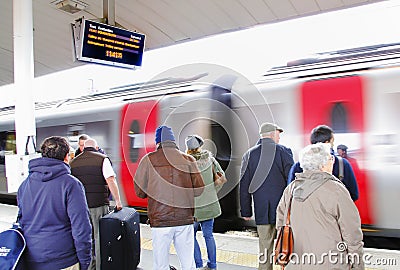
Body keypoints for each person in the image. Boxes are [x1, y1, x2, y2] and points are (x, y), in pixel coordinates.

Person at [276, 143, 364, 269]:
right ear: (323, 165)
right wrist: (358, 266)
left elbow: (281, 225)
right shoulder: (336, 190)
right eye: (330, 158)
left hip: (296, 265)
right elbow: (352, 235)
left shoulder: (290, 189)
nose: (332, 161)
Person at [134, 125, 205, 270]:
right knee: (188, 263)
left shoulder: (148, 160)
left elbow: (140, 193)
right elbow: (199, 190)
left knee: (160, 264)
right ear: (173, 141)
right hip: (184, 219)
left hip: (160, 221)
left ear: (158, 142)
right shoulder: (188, 159)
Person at [17, 136, 92, 270]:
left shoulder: (25, 185)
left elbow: (21, 221)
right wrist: (85, 261)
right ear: (66, 157)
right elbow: (81, 228)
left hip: (32, 258)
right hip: (63, 260)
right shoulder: (71, 184)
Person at [239, 122, 294, 270]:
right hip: (283, 211)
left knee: (265, 248)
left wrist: (246, 211)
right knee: (286, 245)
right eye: (278, 133)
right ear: (271, 134)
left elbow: (244, 185)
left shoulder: (249, 155)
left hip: (262, 209)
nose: (279, 137)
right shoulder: (284, 152)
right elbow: (292, 182)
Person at [70, 138, 123, 270]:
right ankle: (99, 266)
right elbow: (110, 180)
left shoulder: (73, 162)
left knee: (84, 239)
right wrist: (118, 201)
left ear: (83, 148)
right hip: (98, 205)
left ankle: (88, 267)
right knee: (99, 239)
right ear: (96, 147)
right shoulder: (102, 159)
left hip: (80, 208)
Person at [287, 125, 359, 201]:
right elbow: (354, 194)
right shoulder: (342, 164)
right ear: (327, 143)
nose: (333, 145)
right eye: (332, 142)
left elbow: (290, 194)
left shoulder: (298, 166)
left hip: (307, 211)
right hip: (334, 211)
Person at [185, 135, 225, 270]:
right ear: (200, 146)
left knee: (192, 237)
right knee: (209, 236)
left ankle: (198, 265)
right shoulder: (210, 159)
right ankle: (212, 266)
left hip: (193, 209)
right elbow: (222, 177)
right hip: (209, 205)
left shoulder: (185, 163)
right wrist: (213, 191)